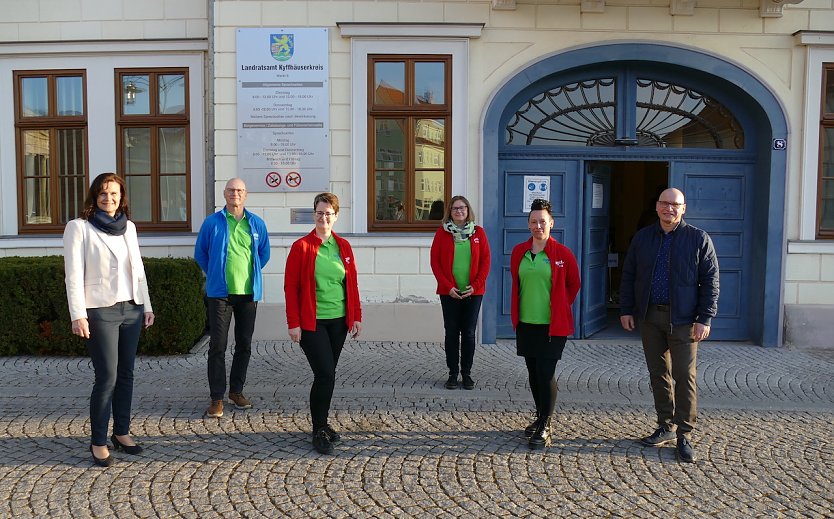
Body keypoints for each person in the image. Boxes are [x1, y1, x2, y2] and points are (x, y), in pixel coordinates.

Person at [619, 187, 719, 464]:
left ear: (683, 208)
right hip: (650, 317)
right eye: (664, 203)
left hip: (685, 320)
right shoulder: (643, 238)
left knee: (684, 375)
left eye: (675, 205)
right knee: (657, 372)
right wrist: (627, 309)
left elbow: (711, 281)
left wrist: (704, 318)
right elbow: (629, 275)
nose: (669, 209)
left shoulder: (698, 239)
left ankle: (685, 433)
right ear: (657, 207)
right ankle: (666, 425)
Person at [63, 172, 155, 467]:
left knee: (127, 374)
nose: (109, 198)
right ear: (94, 196)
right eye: (103, 193)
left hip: (131, 308)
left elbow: (137, 267)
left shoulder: (128, 227)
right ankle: (98, 441)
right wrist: (78, 314)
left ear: (121, 197)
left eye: (114, 193)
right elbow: (73, 274)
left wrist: (147, 304)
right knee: (107, 377)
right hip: (100, 310)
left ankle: (122, 432)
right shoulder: (79, 228)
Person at [284, 192, 362, 455]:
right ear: (314, 214)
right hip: (311, 322)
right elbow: (290, 287)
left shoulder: (344, 247)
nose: (324, 216)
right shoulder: (301, 247)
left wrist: (356, 316)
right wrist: (293, 323)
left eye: (329, 213)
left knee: (327, 376)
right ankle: (318, 429)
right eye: (319, 212)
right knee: (325, 373)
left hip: (339, 321)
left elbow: (351, 283)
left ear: (336, 216)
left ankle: (323, 423)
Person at [195, 178, 270, 418]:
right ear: (224, 194)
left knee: (244, 344)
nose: (234, 194)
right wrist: (216, 273)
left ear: (245, 195)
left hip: (248, 293)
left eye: (239, 190)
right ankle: (217, 397)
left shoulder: (256, 223)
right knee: (217, 345)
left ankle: (236, 391)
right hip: (220, 294)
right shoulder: (212, 223)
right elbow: (201, 253)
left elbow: (263, 254)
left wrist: (251, 275)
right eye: (230, 190)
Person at [510, 198, 580, 450]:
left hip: (553, 325)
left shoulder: (562, 254)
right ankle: (540, 417)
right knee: (532, 372)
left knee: (545, 372)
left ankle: (546, 424)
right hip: (527, 322)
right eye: (533, 222)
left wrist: (560, 306)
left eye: (543, 221)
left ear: (551, 223)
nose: (538, 225)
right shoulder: (520, 251)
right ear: (528, 225)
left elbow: (574, 283)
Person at [430, 195, 491, 390]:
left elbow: (486, 261)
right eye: (455, 208)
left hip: (473, 292)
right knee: (451, 333)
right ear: (450, 212)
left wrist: (476, 284)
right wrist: (448, 287)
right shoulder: (442, 233)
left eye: (462, 207)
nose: (459, 211)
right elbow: (435, 262)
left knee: (469, 333)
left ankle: (467, 374)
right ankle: (452, 373)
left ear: (468, 210)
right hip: (450, 293)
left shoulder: (478, 233)